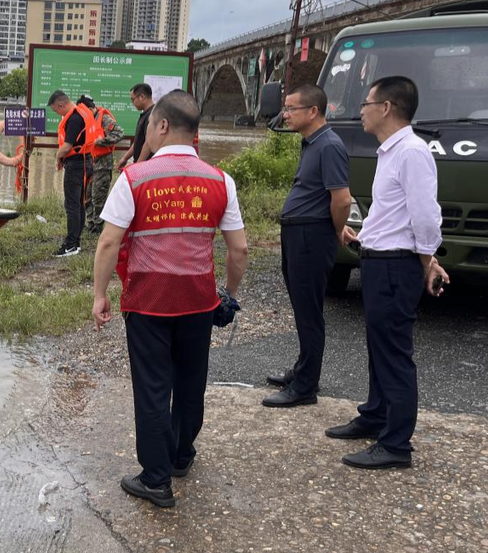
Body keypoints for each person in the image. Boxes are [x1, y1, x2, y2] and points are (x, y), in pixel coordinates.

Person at [92, 89, 249, 509]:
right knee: (190, 381)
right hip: (198, 302)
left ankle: (156, 479)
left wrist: (99, 295)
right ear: (194, 131)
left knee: (152, 388)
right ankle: (181, 455)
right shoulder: (220, 180)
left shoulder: (134, 178)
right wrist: (228, 297)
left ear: (160, 126)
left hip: (148, 301)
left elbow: (109, 243)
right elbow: (239, 250)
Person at [327, 75, 448, 470]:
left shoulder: (412, 152)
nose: (360, 110)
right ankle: (376, 416)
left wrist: (427, 260)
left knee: (394, 352)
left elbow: (426, 214)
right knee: (379, 346)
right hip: (380, 259)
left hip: (396, 265)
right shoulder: (390, 151)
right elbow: (395, 213)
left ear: (386, 108)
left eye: (366, 102)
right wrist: (365, 235)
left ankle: (396, 444)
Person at [262, 84, 352, 407]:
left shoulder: (329, 145)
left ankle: (305, 387)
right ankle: (302, 371)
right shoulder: (311, 143)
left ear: (312, 112)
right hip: (299, 234)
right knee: (302, 309)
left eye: (291, 109)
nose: (285, 114)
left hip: (312, 237)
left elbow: (341, 200)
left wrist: (337, 230)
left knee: (309, 312)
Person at [48, 90, 100, 257]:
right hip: (85, 162)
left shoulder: (74, 118)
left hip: (76, 166)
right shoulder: (82, 113)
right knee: (78, 204)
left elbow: (67, 146)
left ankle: (70, 245)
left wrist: (57, 157)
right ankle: (75, 243)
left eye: (57, 111)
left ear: (61, 105)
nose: (58, 114)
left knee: (72, 205)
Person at [78, 95, 124, 234]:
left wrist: (100, 141)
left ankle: (98, 227)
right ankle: (90, 223)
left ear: (91, 109)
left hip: (103, 164)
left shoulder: (104, 118)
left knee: (99, 196)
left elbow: (119, 133)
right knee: (88, 196)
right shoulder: (88, 120)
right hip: (90, 163)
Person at [116, 83, 155, 171]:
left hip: (147, 167)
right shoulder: (145, 114)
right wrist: (125, 158)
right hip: (142, 165)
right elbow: (138, 141)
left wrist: (137, 167)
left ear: (142, 97)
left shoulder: (152, 115)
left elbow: (148, 143)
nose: (132, 103)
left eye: (133, 99)